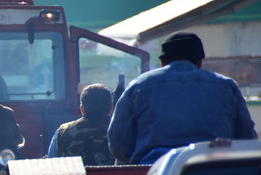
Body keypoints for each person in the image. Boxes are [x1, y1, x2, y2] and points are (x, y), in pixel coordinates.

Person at [108, 31, 257, 165]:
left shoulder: (139, 85)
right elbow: (247, 140)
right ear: (199, 62)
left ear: (163, 63)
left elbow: (118, 143)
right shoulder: (227, 86)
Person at [47, 83, 115, 165]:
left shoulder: (63, 132)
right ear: (111, 107)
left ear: (82, 109)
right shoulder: (122, 131)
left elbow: (52, 164)